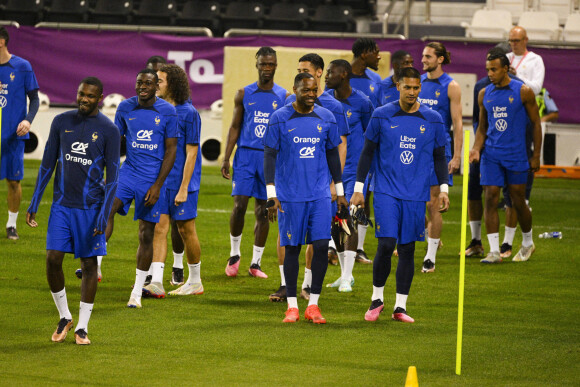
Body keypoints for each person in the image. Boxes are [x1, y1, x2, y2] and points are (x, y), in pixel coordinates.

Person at [26, 77, 120, 344]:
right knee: (53, 259)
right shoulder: (61, 122)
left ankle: (83, 326)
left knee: (89, 265)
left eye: (90, 96)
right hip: (62, 206)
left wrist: (103, 214)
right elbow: (47, 164)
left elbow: (113, 177)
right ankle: (65, 315)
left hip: (90, 209)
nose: (84, 99)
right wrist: (35, 201)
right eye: (81, 94)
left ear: (99, 97)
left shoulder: (109, 130)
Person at [351, 67, 449, 322]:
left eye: (417, 88)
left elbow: (440, 157)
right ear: (398, 86)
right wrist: (359, 189)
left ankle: (400, 307)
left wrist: (444, 190)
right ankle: (376, 299)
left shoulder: (433, 119)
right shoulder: (382, 115)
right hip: (386, 191)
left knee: (407, 249)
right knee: (386, 244)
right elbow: (367, 153)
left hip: (416, 195)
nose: (412, 92)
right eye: (407, 87)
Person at [264, 72, 347, 324]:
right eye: (306, 91)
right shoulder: (280, 118)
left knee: (321, 246)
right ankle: (291, 306)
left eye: (315, 90)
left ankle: (313, 305)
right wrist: (271, 195)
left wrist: (340, 192)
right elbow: (269, 156)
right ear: (295, 89)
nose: (311, 95)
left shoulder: (327, 118)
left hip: (320, 195)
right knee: (292, 248)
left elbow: (333, 155)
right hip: (290, 197)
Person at [105, 68, 178, 308]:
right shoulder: (125, 107)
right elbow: (116, 142)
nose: (143, 86)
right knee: (106, 209)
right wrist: (110, 173)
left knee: (146, 234)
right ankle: (94, 264)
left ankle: (136, 292)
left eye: (148, 83)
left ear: (157, 85)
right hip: (128, 173)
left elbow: (171, 150)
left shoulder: (168, 111)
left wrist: (158, 185)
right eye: (139, 82)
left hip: (152, 179)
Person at [221, 47, 289, 279]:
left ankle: (256, 263)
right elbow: (235, 126)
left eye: (271, 64)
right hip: (246, 157)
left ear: (276, 66)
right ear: (257, 64)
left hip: (270, 159)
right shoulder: (244, 93)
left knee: (264, 210)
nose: (267, 68)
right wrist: (226, 156)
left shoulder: (284, 97)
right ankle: (234, 254)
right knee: (239, 205)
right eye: (263, 64)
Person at [469, 50, 542, 264]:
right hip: (491, 155)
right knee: (490, 197)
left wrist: (536, 155)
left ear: (505, 68)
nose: (490, 73)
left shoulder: (524, 92)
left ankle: (528, 242)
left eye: (494, 69)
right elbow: (482, 128)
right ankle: (493, 252)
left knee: (518, 201)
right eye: (487, 70)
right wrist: (476, 148)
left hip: (517, 155)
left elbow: (536, 124)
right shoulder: (484, 94)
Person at [142, 64, 204, 298]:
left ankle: (195, 281)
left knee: (186, 230)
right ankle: (157, 281)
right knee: (160, 228)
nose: (155, 85)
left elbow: (192, 153)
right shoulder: (157, 109)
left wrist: (184, 188)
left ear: (173, 84)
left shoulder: (189, 113)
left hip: (182, 184)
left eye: (160, 81)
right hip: (162, 183)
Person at [324, 59, 374, 293]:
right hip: (331, 172)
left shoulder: (363, 103)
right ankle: (344, 275)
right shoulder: (324, 98)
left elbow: (372, 136)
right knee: (336, 224)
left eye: (331, 72)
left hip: (353, 171)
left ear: (344, 74)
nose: (326, 75)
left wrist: (366, 174)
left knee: (350, 220)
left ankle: (347, 276)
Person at [418, 42, 463, 273]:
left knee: (433, 202)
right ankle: (432, 236)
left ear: (440, 59)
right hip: (416, 151)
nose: (423, 60)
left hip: (439, 151)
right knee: (419, 202)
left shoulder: (451, 86)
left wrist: (457, 156)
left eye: (428, 56)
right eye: (423, 56)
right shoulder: (417, 83)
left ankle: (430, 256)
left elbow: (457, 124)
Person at [0, 26, 40, 240]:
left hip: (13, 136)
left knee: (13, 182)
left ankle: (11, 225)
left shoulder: (22, 66)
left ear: (1, 42)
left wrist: (28, 120)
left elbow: (34, 98)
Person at [507, 26, 545, 96]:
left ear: (525, 40)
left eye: (517, 40)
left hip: (525, 103)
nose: (513, 44)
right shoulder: (506, 57)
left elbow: (536, 89)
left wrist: (516, 76)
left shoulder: (535, 59)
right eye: (511, 41)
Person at [349, 38, 382, 107]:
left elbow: (380, 109)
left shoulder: (376, 79)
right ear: (364, 54)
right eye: (376, 53)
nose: (379, 57)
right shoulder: (338, 77)